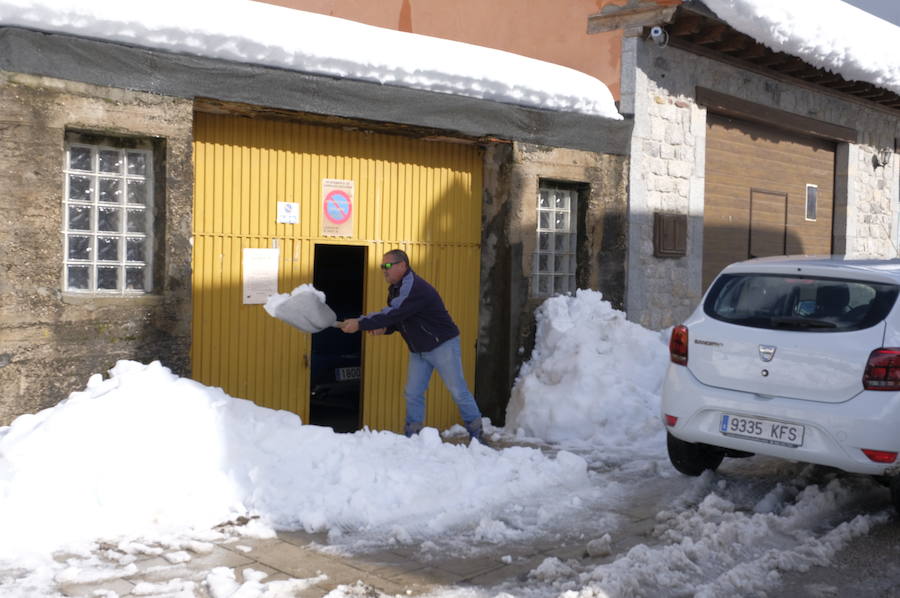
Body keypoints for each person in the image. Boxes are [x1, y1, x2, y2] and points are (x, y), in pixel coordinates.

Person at [339, 250, 483, 441]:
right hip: (419, 349)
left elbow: (394, 313)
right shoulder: (395, 289)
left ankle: (477, 434)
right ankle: (413, 436)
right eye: (382, 266)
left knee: (458, 390)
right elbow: (401, 320)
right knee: (413, 392)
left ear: (402, 265)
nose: (383, 270)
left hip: (443, 346)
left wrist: (360, 323)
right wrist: (385, 329)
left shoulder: (414, 287)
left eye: (387, 266)